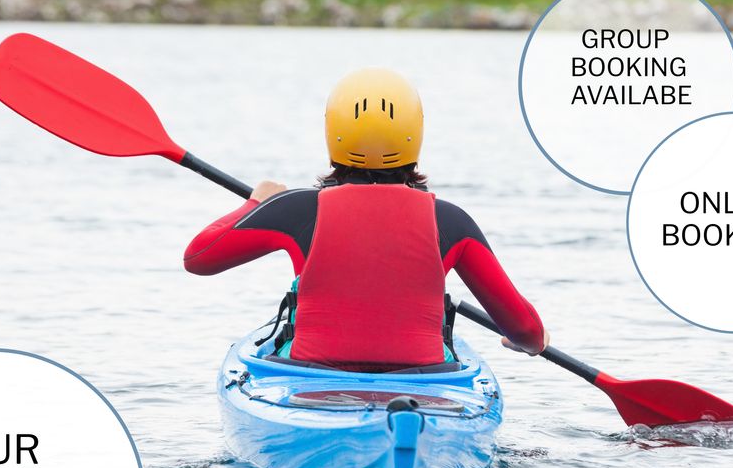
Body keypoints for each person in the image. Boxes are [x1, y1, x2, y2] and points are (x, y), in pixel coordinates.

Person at [184, 68, 548, 372]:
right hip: (426, 384)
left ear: (333, 132)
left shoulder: (297, 209)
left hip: (311, 381)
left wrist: (255, 203)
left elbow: (199, 259)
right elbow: (527, 330)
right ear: (415, 133)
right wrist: (528, 341)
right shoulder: (450, 221)